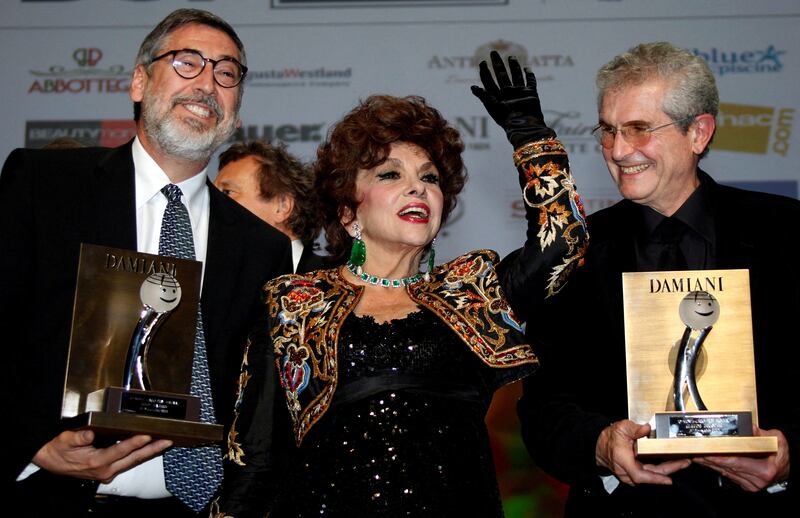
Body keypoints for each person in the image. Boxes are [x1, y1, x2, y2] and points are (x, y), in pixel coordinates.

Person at [214, 57, 588, 517]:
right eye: (390, 175)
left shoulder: (472, 294)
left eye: (429, 178)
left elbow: (565, 243)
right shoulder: (295, 305)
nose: (418, 189)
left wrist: (529, 133)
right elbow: (255, 461)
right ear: (349, 211)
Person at [0, 8, 292, 517]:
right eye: (187, 63)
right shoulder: (46, 186)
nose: (207, 83)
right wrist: (31, 443)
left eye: (225, 73)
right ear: (139, 81)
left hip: (197, 509)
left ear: (236, 112)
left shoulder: (260, 247)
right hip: (51, 498)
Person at [514, 41, 799, 516]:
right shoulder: (572, 252)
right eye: (608, 130)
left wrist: (790, 455)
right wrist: (602, 446)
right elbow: (543, 408)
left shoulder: (788, 234)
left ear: (698, 132)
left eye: (639, 129)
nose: (620, 151)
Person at [214, 140, 325, 273]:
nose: (213, 200)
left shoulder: (335, 285)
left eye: (228, 192)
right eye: (212, 193)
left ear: (282, 207)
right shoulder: (215, 279)